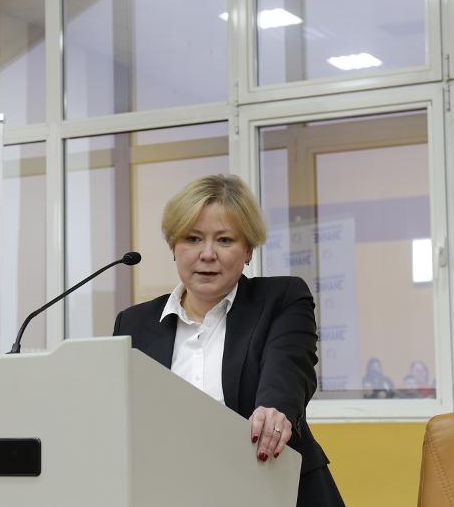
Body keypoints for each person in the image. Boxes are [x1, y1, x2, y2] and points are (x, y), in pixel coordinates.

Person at [113, 174, 344, 506]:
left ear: (248, 249)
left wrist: (275, 411)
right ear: (173, 247)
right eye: (192, 239)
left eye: (224, 240)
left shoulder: (281, 298)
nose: (207, 254)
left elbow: (289, 366)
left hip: (275, 490)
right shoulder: (134, 323)